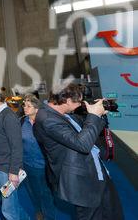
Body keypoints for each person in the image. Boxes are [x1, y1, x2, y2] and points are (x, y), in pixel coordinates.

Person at [34, 84, 123, 220]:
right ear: (68, 101)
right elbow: (83, 144)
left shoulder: (63, 114)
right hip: (82, 180)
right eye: (78, 101)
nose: (80, 105)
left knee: (112, 213)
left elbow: (89, 129)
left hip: (96, 171)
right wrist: (93, 115)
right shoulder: (47, 119)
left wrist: (100, 115)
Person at [0, 86, 27, 220]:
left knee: (8, 207)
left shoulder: (8, 116)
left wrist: (14, 171)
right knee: (2, 198)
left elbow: (17, 146)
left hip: (7, 169)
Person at [21, 94, 55, 220]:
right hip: (26, 164)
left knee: (45, 194)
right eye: (24, 105)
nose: (25, 108)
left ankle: (49, 217)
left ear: (37, 108)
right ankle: (38, 211)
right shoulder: (22, 122)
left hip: (42, 166)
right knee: (31, 191)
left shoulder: (44, 123)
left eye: (29, 106)